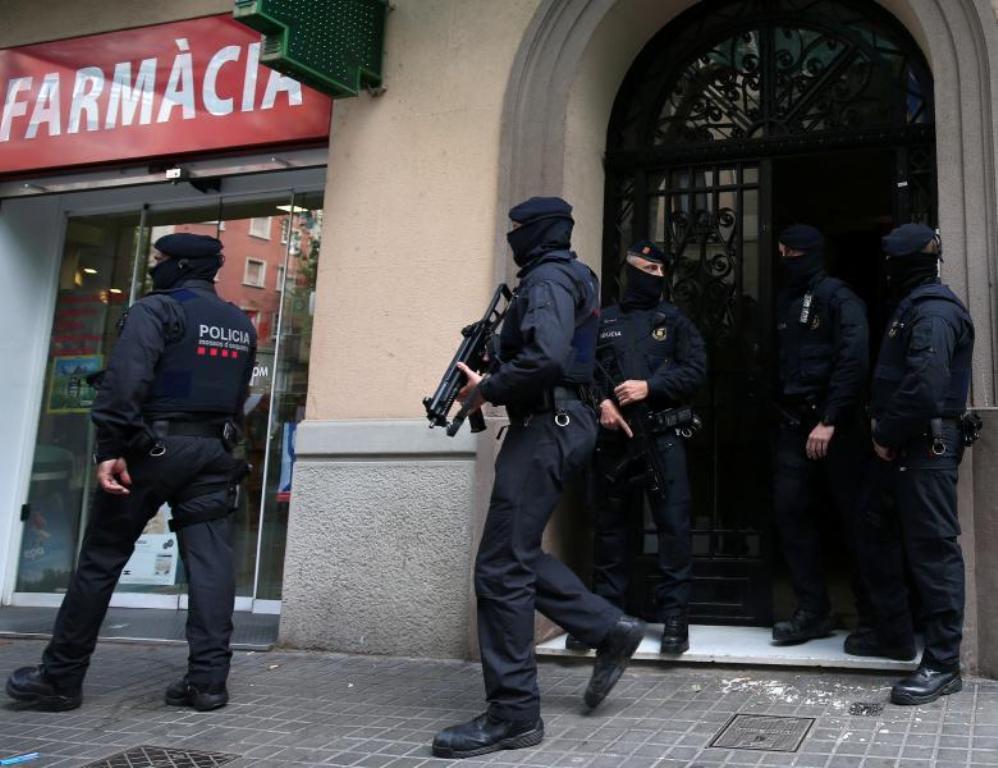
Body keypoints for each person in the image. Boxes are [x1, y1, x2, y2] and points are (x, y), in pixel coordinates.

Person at [432, 197, 646, 760]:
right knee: (516, 552)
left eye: (518, 231)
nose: (512, 239)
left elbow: (548, 357)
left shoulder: (548, 280)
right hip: (557, 423)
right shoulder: (574, 276)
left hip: (547, 426)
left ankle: (514, 715)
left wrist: (488, 387)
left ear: (539, 234)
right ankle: (606, 628)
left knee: (500, 568)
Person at [6, 234, 256, 713]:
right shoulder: (239, 324)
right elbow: (238, 393)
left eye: (159, 260)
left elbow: (124, 384)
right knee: (210, 564)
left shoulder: (156, 310)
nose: (153, 267)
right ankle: (207, 682)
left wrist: (112, 448)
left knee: (101, 559)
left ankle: (59, 679)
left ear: (181, 266)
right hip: (213, 452)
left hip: (151, 450)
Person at [574, 240, 705, 655]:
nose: (646, 279)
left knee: (672, 528)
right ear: (628, 270)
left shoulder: (674, 321)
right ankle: (607, 620)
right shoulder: (603, 320)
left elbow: (696, 371)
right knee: (610, 531)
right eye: (640, 270)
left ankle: (673, 621)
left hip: (662, 438)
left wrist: (651, 386)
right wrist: (604, 403)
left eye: (654, 272)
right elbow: (582, 370)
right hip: (614, 440)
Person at [865, 223, 974, 705]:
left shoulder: (932, 312)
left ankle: (943, 664)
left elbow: (927, 386)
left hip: (922, 448)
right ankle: (894, 633)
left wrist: (886, 432)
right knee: (881, 533)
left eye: (891, 260)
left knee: (933, 551)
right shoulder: (915, 307)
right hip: (909, 448)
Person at [770, 224, 877, 647]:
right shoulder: (786, 301)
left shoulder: (838, 297)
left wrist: (830, 418)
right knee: (792, 517)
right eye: (781, 253)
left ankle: (873, 617)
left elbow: (854, 360)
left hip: (836, 427)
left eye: (791, 254)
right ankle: (812, 611)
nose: (784, 261)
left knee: (854, 521)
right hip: (794, 425)